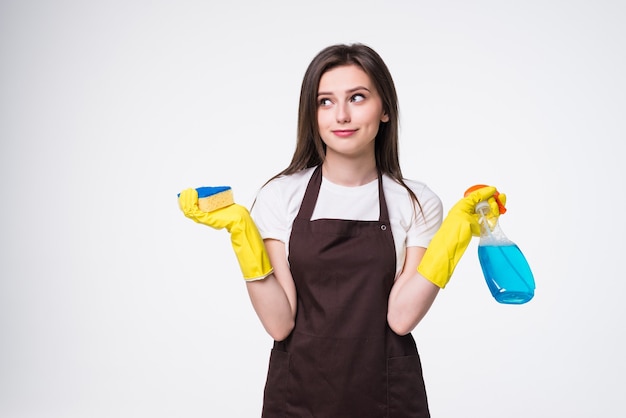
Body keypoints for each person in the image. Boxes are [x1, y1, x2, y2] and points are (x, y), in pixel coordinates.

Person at [178, 43, 505, 417]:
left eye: (358, 97)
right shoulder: (281, 196)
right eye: (326, 102)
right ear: (312, 114)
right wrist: (242, 231)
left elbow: (401, 317)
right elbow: (279, 323)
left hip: (387, 396)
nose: (342, 115)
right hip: (298, 396)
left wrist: (455, 234)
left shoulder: (416, 202)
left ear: (384, 110)